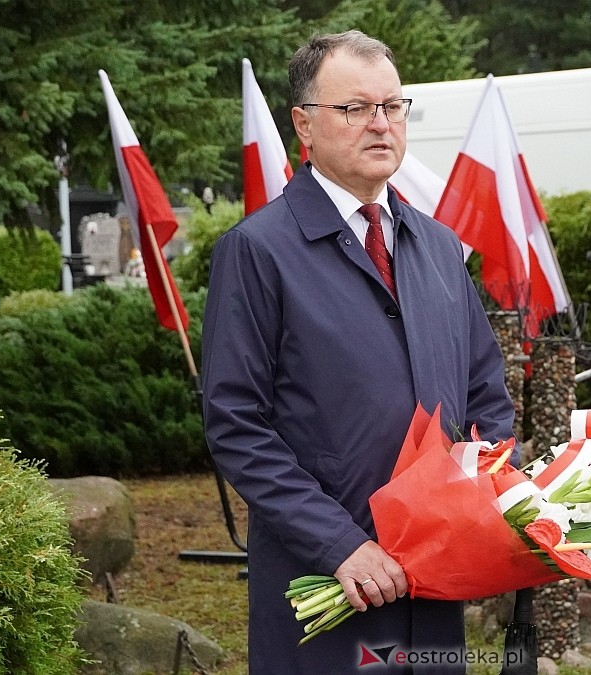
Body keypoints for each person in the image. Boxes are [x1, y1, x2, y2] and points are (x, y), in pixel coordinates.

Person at [200, 31, 515, 674]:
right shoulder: (259, 251)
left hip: (431, 582)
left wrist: (474, 504)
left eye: (393, 107)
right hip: (324, 581)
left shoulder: (437, 246)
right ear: (304, 126)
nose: (380, 124)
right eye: (354, 109)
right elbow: (236, 425)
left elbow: (484, 394)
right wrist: (340, 545)